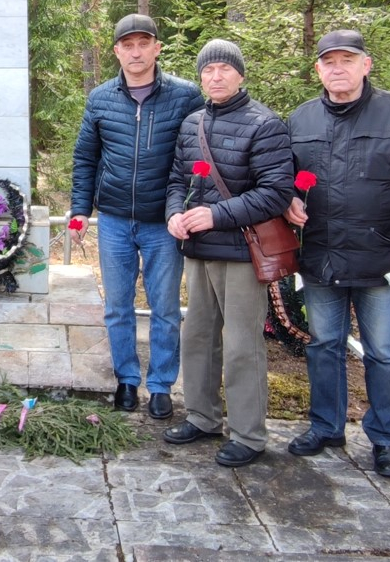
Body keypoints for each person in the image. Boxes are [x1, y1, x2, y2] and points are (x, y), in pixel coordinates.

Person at [283, 29, 390, 479]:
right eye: (329, 61)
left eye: (347, 60)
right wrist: (286, 201)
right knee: (324, 346)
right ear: (317, 69)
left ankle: (387, 439)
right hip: (321, 258)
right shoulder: (301, 120)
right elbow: (282, 179)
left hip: (382, 259)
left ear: (366, 65)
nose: (338, 68)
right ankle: (326, 426)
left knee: (385, 352)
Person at [160, 40, 295, 468]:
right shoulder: (191, 123)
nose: (215, 77)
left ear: (240, 75)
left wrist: (216, 216)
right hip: (197, 249)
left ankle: (249, 434)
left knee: (241, 345)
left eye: (224, 69)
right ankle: (202, 416)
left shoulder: (265, 124)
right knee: (196, 336)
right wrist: (174, 215)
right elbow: (175, 181)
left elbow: (276, 193)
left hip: (240, 253)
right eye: (208, 70)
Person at [69, 14, 204, 418]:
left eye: (143, 43)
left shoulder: (185, 96)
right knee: (118, 306)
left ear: (157, 48)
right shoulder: (101, 98)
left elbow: (198, 158)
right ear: (117, 52)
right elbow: (85, 157)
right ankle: (126, 379)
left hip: (164, 222)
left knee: (164, 306)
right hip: (112, 220)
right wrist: (79, 210)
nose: (136, 51)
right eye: (127, 44)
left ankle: (161, 384)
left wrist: (189, 207)